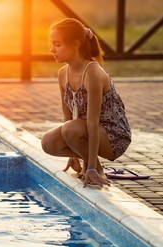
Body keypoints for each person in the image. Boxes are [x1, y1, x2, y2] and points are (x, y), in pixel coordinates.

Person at [41, 18, 131, 187]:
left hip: (114, 135)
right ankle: (93, 165)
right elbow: (68, 118)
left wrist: (89, 168)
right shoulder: (62, 74)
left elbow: (92, 123)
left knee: (70, 129)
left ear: (75, 44)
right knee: (48, 142)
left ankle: (96, 169)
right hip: (84, 130)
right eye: (52, 44)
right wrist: (73, 154)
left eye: (57, 44)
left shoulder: (93, 73)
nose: (51, 49)